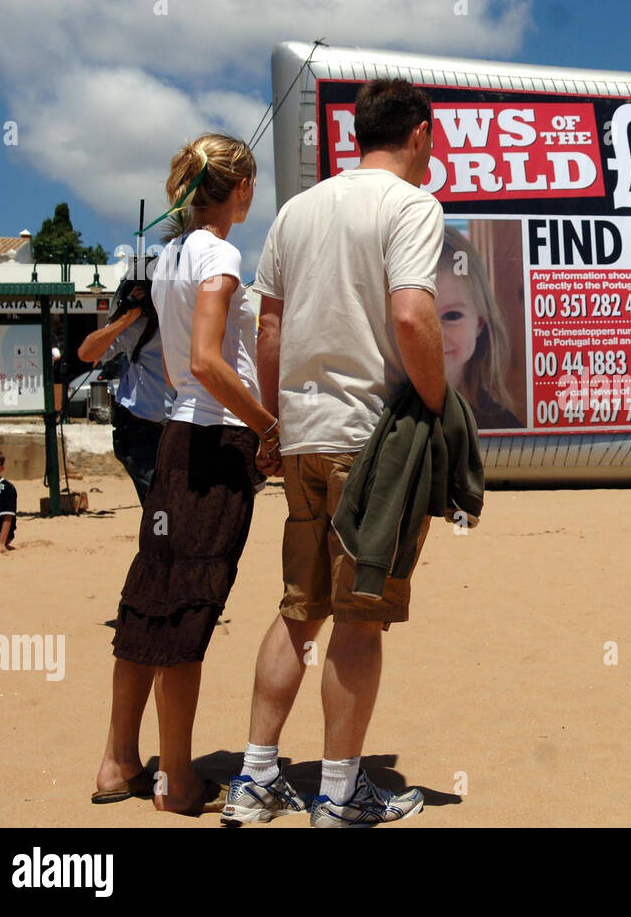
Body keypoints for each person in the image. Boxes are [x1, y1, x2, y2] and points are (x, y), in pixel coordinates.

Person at [223, 78, 444, 828]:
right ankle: (341, 792)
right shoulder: (411, 205)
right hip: (369, 442)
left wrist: (278, 426)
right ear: (418, 133)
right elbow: (412, 316)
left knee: (298, 608)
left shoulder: (296, 210)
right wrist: (440, 405)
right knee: (359, 617)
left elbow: (270, 330)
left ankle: (254, 782)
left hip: (306, 437)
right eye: (430, 139)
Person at [94, 133, 278, 815]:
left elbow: (180, 366)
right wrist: (267, 425)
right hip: (210, 443)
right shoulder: (221, 252)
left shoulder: (169, 253)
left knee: (150, 594)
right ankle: (176, 777)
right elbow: (205, 360)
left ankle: (120, 760)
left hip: (174, 437)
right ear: (240, 190)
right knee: (188, 611)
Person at [77, 288, 173, 504]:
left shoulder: (193, 324)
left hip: (180, 429)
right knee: (160, 506)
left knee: (178, 505)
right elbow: (87, 353)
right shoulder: (141, 329)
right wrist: (126, 318)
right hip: (143, 430)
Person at [436, 225, 521, 428]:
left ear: (479, 324)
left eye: (452, 315)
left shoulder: (503, 424)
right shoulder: (373, 416)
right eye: (418, 316)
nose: (434, 334)